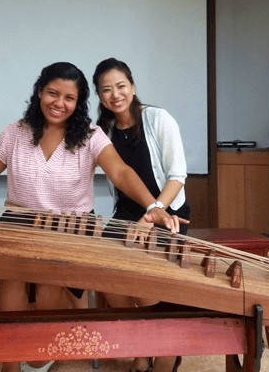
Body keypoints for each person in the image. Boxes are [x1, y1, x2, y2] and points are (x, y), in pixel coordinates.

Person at [0, 61, 182, 372]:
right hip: (20, 225)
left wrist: (154, 206)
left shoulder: (90, 135)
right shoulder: (16, 132)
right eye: (52, 94)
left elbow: (121, 172)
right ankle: (10, 362)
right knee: (11, 276)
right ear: (39, 93)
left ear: (79, 102)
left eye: (69, 98)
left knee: (48, 287)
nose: (59, 103)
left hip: (71, 231)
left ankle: (45, 349)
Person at [92, 57, 190, 372]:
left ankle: (163, 351)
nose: (115, 95)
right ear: (99, 96)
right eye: (106, 90)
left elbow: (177, 176)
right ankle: (141, 344)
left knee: (147, 275)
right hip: (127, 211)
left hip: (168, 210)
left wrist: (153, 213)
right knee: (105, 274)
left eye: (121, 86)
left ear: (132, 88)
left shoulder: (159, 119)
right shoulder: (103, 129)